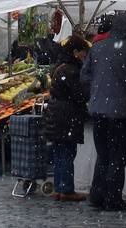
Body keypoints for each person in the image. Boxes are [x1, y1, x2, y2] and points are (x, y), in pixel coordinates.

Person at [80, 12, 126, 212]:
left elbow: (85, 76)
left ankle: (97, 195)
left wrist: (98, 93)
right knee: (118, 157)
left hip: (98, 110)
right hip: (120, 112)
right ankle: (113, 199)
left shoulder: (98, 47)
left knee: (103, 155)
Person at [44, 36, 92, 202]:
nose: (85, 56)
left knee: (60, 153)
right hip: (66, 117)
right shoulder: (71, 70)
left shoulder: (61, 67)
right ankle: (66, 189)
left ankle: (60, 187)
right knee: (66, 153)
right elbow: (80, 95)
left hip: (58, 115)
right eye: (83, 53)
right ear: (75, 52)